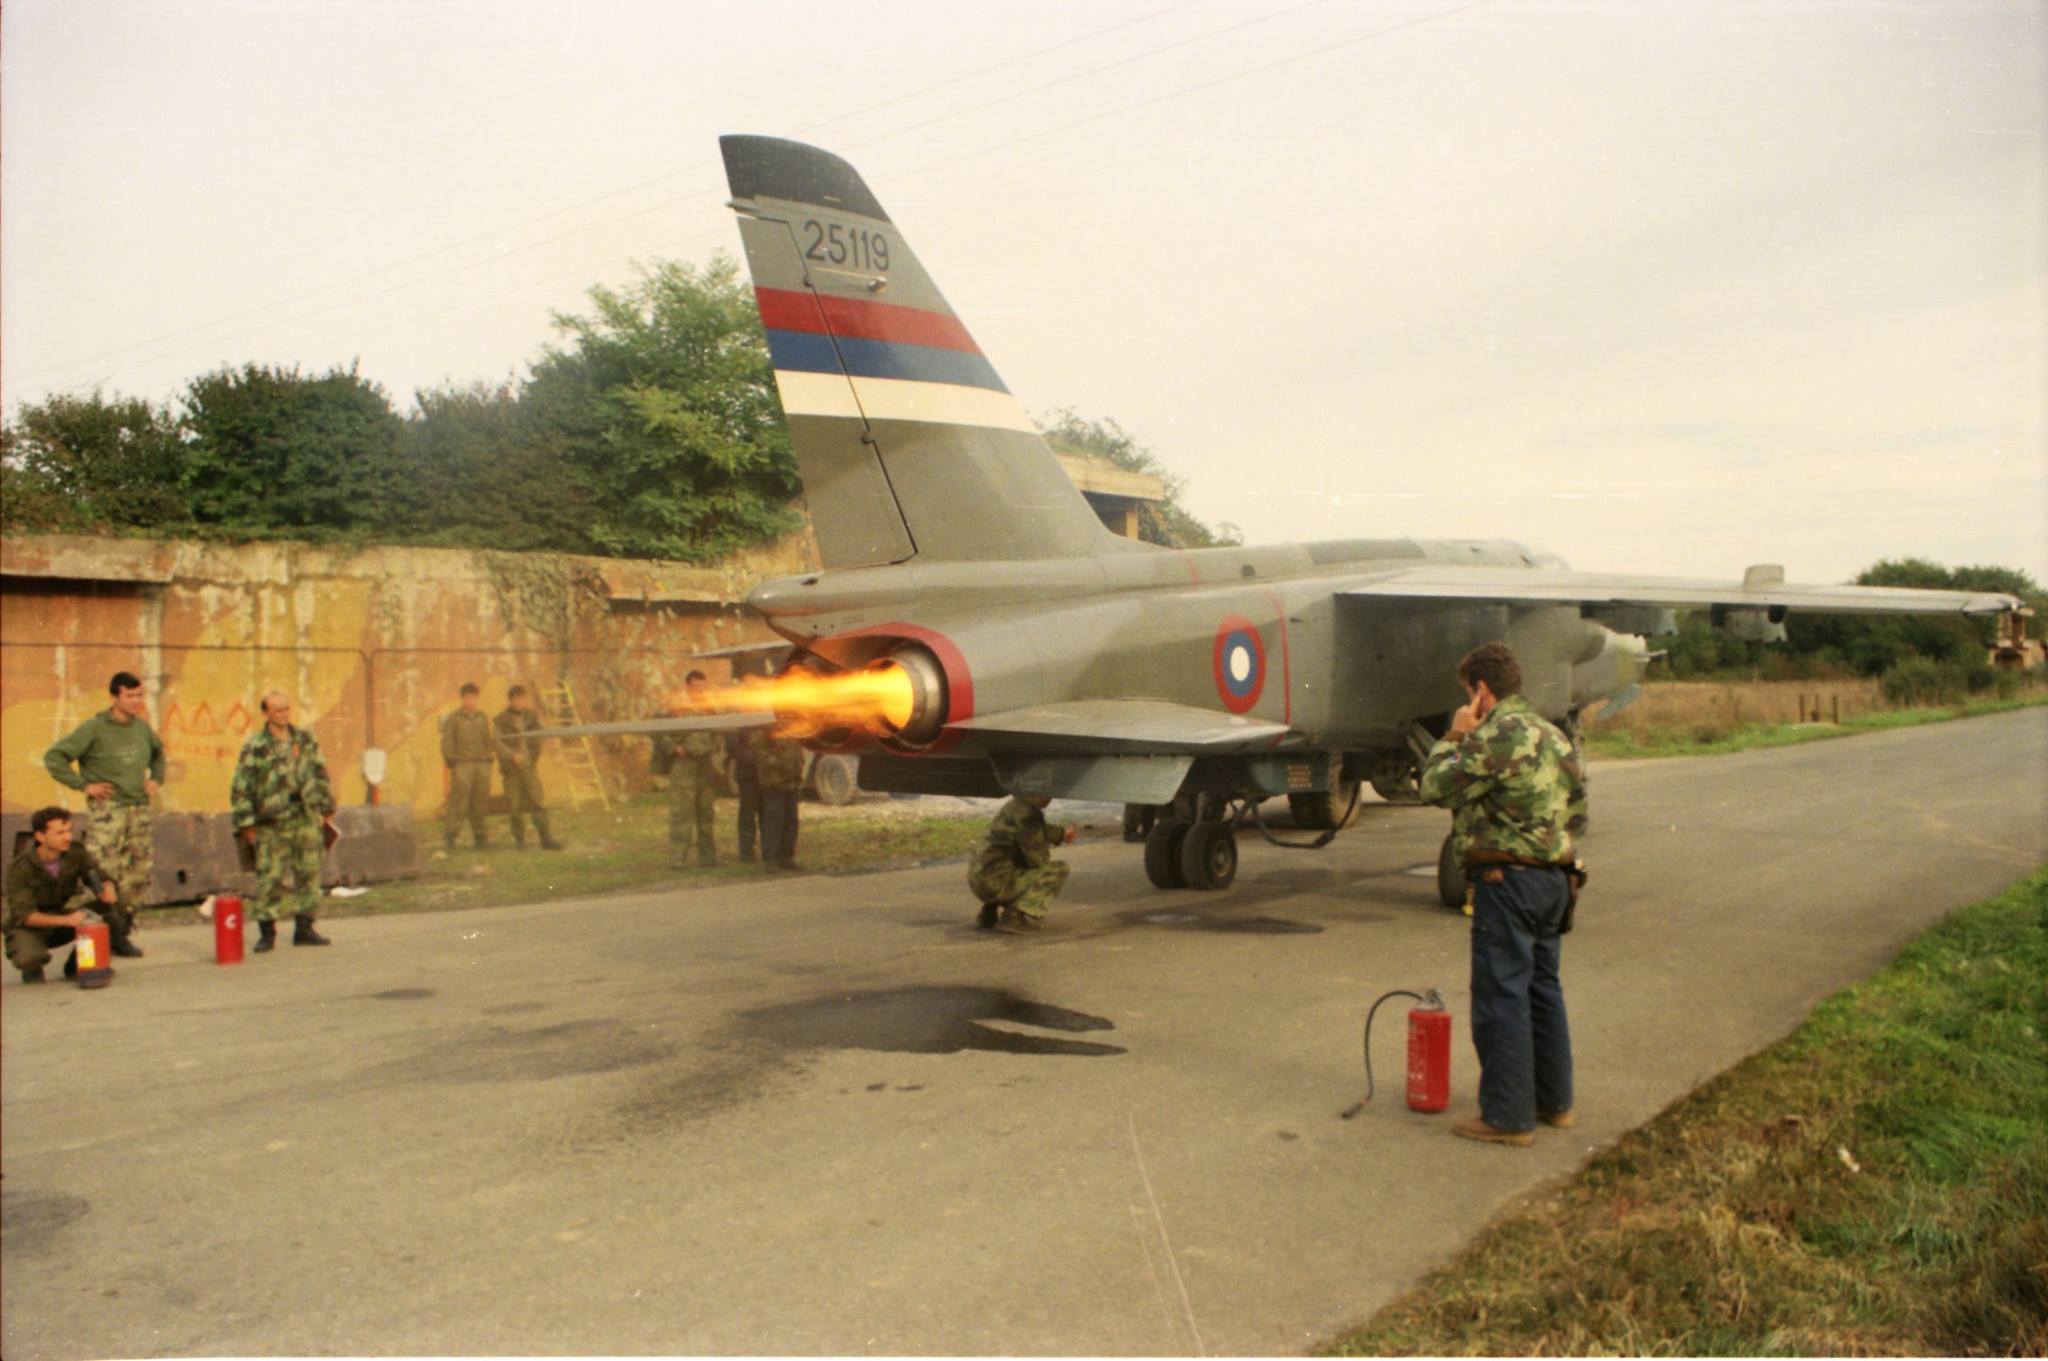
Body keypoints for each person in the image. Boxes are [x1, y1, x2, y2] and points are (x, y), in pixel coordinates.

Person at [1417, 642, 1587, 1147]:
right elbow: (1577, 813)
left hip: (1507, 882)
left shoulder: (1493, 735)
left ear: (1481, 691)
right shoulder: (1554, 736)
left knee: (1501, 996)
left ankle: (1508, 1117)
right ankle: (1555, 1103)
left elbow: (1433, 787)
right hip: (1554, 880)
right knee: (1543, 989)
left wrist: (1455, 734)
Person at [43, 669, 166, 922]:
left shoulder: (142, 728)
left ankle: (124, 925)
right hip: (109, 811)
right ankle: (106, 925)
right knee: (105, 871)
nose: (136, 701)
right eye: (129, 696)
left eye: (139, 695)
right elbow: (54, 757)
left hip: (138, 810)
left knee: (137, 873)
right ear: (114, 697)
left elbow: (158, 755)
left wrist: (156, 779)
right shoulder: (94, 728)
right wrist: (83, 785)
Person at [230, 691, 338, 952]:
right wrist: (246, 824)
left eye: (287, 709)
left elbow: (320, 771)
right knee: (270, 878)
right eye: (278, 710)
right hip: (272, 822)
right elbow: (241, 785)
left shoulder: (304, 739)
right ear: (266, 713)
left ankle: (305, 927)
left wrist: (327, 806)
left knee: (309, 873)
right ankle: (267, 933)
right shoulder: (256, 745)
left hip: (304, 816)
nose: (284, 714)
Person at [6, 807, 139, 982]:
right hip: (31, 925)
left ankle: (79, 963)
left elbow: (98, 875)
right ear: (40, 836)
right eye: (60, 833)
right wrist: (67, 920)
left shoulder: (74, 852)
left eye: (69, 831)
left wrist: (108, 887)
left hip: (61, 916)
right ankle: (33, 967)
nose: (68, 837)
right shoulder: (20, 868)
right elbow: (25, 916)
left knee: (119, 901)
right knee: (29, 958)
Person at [968, 794, 1074, 933]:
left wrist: (1061, 834)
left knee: (1010, 864)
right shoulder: (1029, 815)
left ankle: (989, 910)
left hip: (978, 879)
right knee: (1057, 870)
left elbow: (1035, 831)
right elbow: (1033, 857)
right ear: (1036, 794)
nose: (1048, 800)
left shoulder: (1015, 807)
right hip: (995, 883)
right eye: (1046, 795)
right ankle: (1014, 917)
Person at [653, 671, 720, 869]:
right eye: (696, 686)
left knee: (706, 813)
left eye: (703, 686)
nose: (700, 690)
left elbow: (716, 731)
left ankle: (708, 858)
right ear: (688, 687)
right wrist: (673, 748)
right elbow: (655, 729)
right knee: (682, 813)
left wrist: (715, 746)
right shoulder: (675, 707)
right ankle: (678, 859)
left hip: (704, 764)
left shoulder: (709, 708)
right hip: (684, 765)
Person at [493, 685, 563, 851]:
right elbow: (497, 742)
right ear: (511, 700)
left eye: (523, 699)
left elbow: (539, 734)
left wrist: (537, 748)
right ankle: (520, 840)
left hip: (528, 766)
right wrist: (512, 755)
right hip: (511, 770)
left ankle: (546, 838)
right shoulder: (500, 720)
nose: (521, 702)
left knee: (537, 801)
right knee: (514, 806)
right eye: (517, 699)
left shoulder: (531, 716)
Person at [439, 682, 494, 850]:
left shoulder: (482, 717)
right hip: (462, 764)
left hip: (481, 765)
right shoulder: (453, 719)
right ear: (462, 699)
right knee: (459, 802)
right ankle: (451, 837)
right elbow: (447, 742)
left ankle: (480, 837)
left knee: (480, 802)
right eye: (467, 698)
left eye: (474, 698)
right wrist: (452, 761)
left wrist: (488, 758)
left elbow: (487, 739)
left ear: (477, 698)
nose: (471, 701)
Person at [743, 727, 806, 870]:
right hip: (774, 782)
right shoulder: (767, 726)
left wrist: (797, 765)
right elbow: (757, 748)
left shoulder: (792, 725)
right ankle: (771, 859)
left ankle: (787, 857)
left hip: (792, 781)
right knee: (774, 822)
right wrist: (776, 763)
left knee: (791, 822)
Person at [726, 727, 764, 864]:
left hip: (767, 775)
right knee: (747, 816)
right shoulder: (741, 721)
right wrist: (752, 757)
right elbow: (731, 744)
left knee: (767, 816)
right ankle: (746, 852)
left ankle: (769, 851)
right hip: (747, 776)